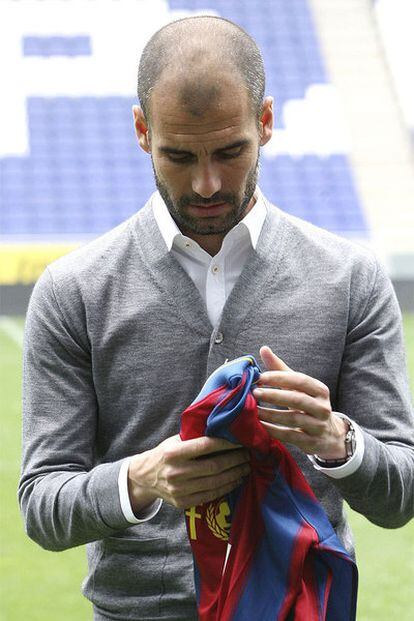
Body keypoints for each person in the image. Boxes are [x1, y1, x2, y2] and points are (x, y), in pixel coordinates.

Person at [19, 15, 414, 621]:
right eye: (180, 156)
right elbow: (42, 505)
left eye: (230, 152)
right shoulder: (74, 291)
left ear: (266, 122)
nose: (207, 184)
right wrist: (140, 480)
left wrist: (339, 441)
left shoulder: (350, 278)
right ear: (141, 131)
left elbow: (401, 492)